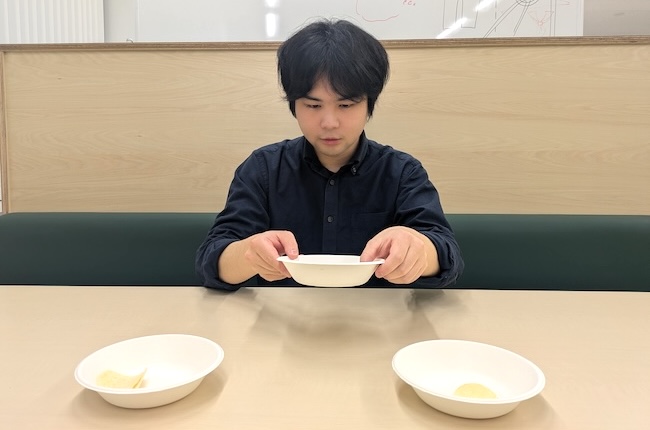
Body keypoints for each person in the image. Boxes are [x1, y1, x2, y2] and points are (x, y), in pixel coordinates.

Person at [196, 18, 464, 291]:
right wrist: (248, 253)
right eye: (313, 105)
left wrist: (419, 249)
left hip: (378, 314)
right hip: (282, 314)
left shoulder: (401, 172)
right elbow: (212, 260)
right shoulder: (263, 168)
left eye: (345, 105)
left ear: (369, 104)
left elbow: (447, 257)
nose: (329, 123)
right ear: (294, 105)